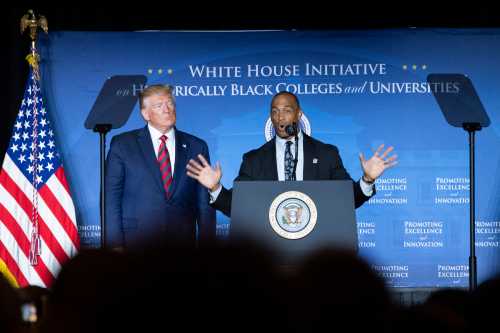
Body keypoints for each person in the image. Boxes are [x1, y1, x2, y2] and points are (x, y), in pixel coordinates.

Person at [186, 91, 397, 217]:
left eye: (287, 110)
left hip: (317, 251)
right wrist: (215, 188)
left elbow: (346, 199)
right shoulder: (253, 159)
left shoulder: (326, 154)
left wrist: (367, 179)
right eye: (275, 111)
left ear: (299, 114)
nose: (280, 117)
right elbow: (238, 207)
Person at [105, 84, 215, 249]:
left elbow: (203, 202)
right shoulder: (122, 144)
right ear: (145, 113)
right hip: (136, 243)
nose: (167, 109)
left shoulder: (196, 146)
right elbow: (111, 197)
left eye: (170, 103)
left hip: (182, 245)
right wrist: (114, 245)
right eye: (159, 105)